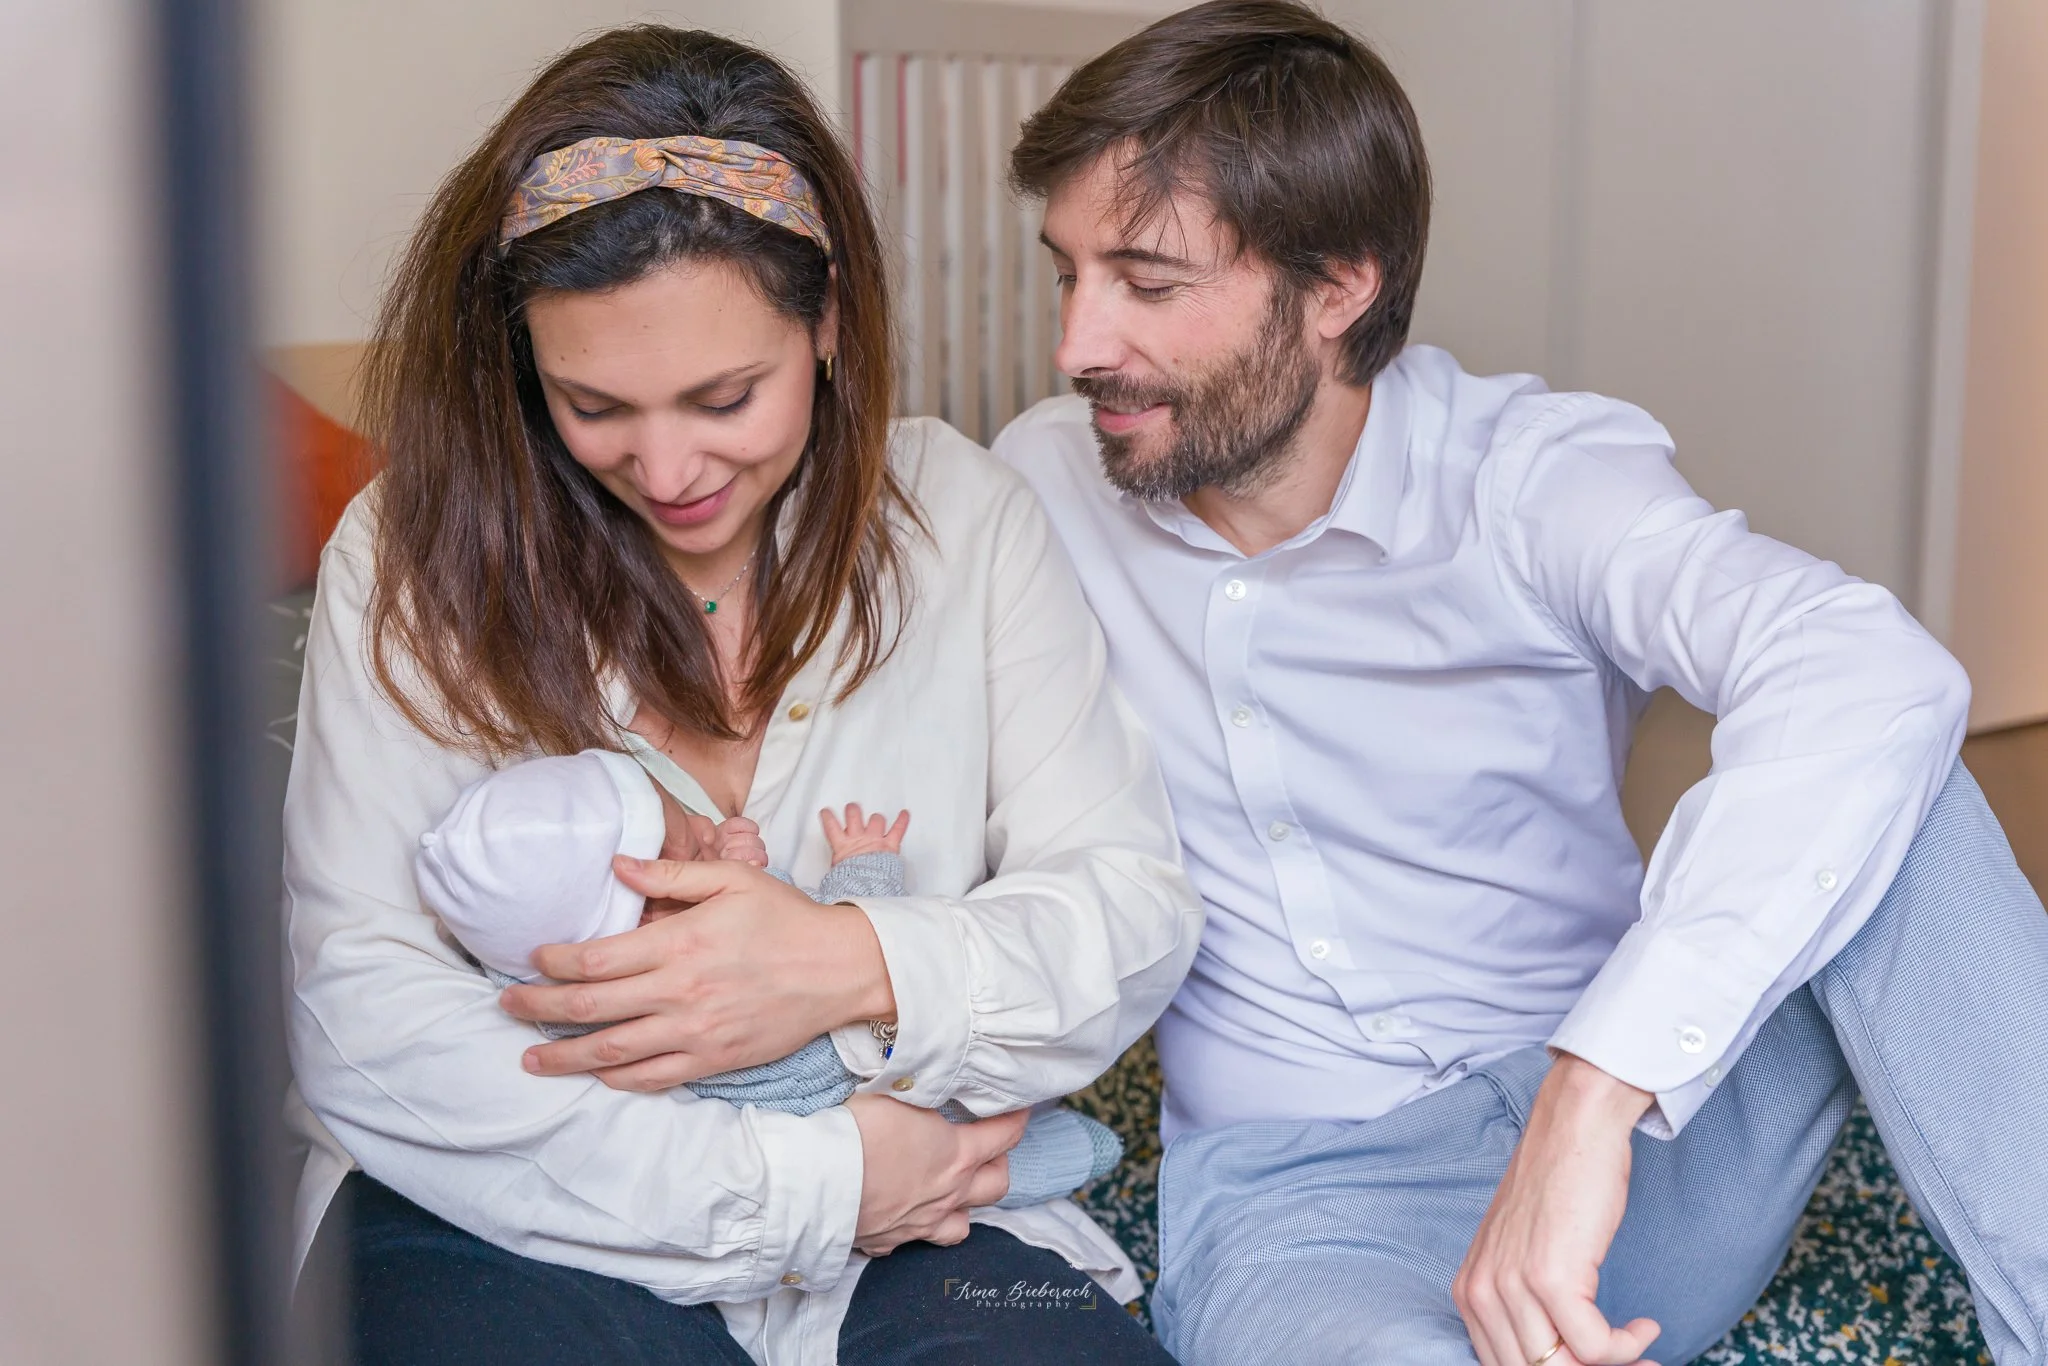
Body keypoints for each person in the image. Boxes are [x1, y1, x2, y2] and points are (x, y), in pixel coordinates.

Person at [992, 3, 2048, 1363]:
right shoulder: (1037, 483)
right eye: (1064, 273)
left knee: (1899, 795)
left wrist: (1595, 1083)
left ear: (1336, 288)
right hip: (1313, 1207)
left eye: (1144, 282)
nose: (1078, 341)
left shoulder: (1528, 474)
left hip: (1643, 1157)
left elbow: (1867, 666)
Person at [281, 24, 1196, 1366]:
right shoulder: (411, 548)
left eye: (726, 396)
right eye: (593, 404)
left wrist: (843, 964)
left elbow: (1127, 910)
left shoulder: (963, 520)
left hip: (947, 1211)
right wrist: (811, 1184)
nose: (666, 467)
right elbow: (358, 1012)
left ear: (826, 320)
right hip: (520, 1211)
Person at [414, 750, 1125, 1203]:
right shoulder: (689, 958)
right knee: (956, 1146)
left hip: (796, 1134)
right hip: (841, 1089)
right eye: (689, 844)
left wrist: (731, 855)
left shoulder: (564, 994)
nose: (708, 827)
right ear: (650, 909)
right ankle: (1023, 1164)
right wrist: (863, 868)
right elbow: (832, 929)